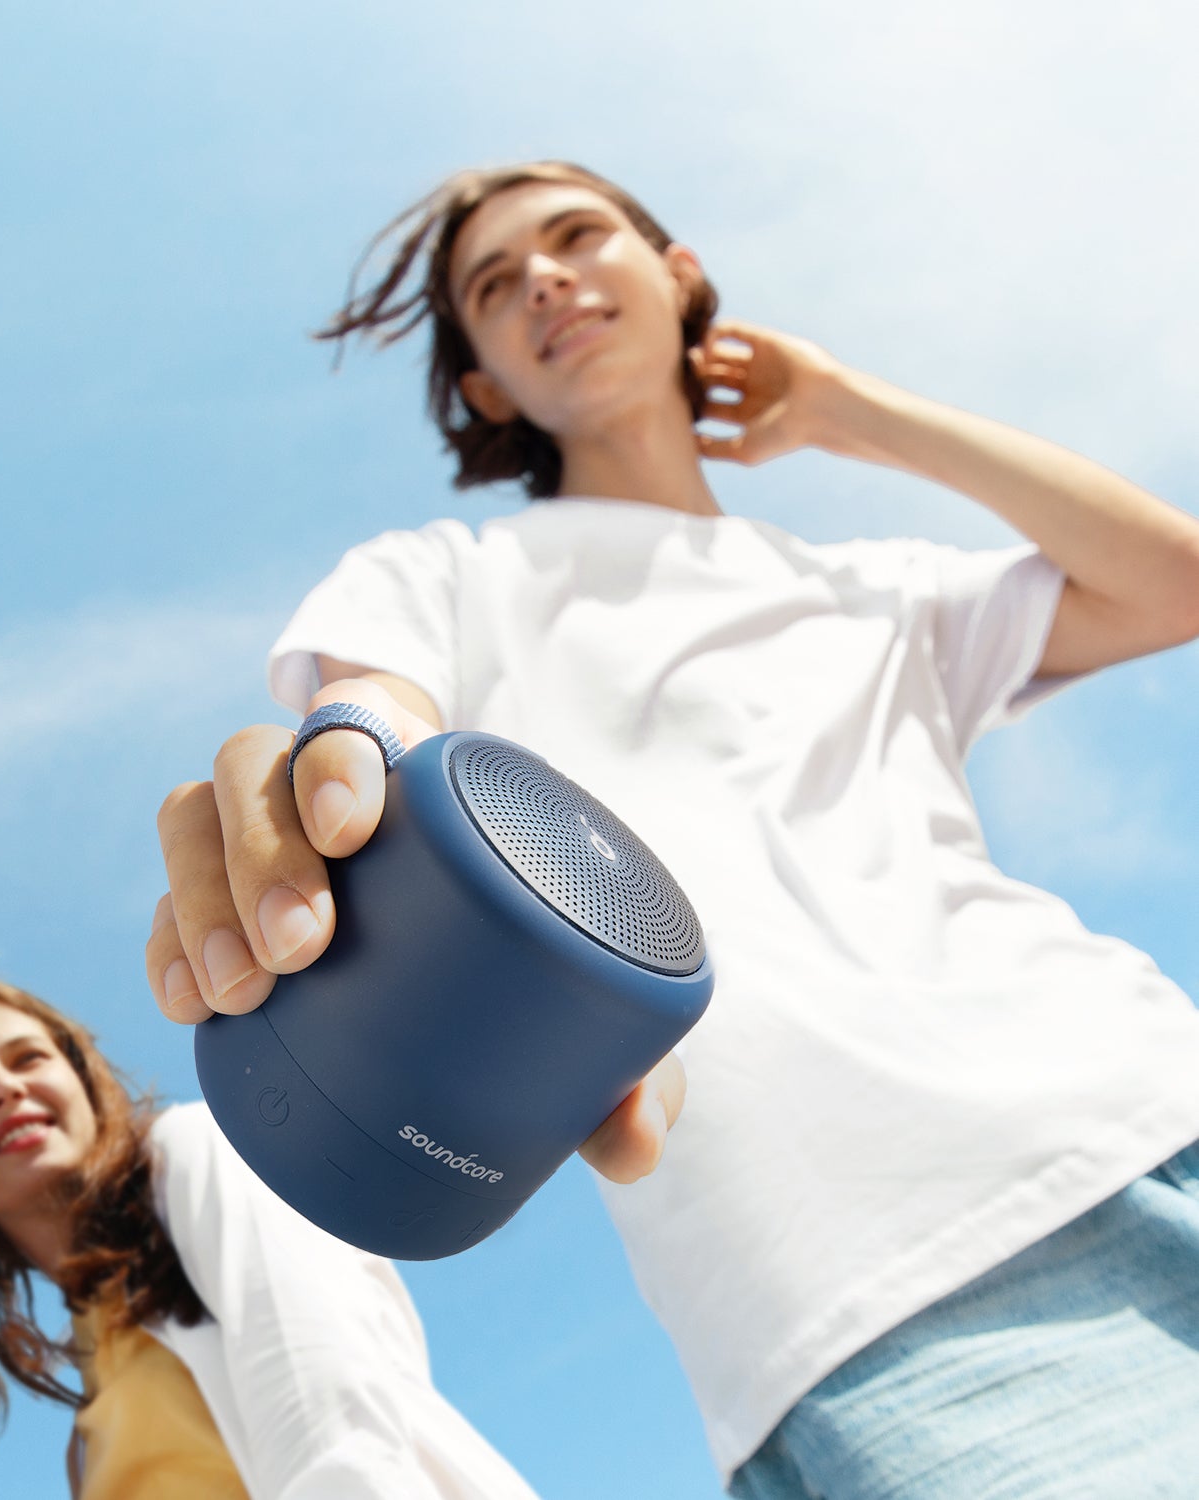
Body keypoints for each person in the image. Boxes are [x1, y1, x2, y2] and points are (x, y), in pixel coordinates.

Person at [144, 160, 1199, 1496]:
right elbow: (371, 728)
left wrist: (843, 409)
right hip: (883, 1287)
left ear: (678, 275)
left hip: (1155, 1086)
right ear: (484, 386)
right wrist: (321, 795)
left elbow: (1173, 583)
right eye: (493, 285)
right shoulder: (449, 575)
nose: (544, 277)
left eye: (578, 237)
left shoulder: (869, 586)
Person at [0, 978, 542, 1499]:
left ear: (81, 1078)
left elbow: (329, 1417)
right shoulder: (91, 1416)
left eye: (26, 1058)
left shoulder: (199, 1151)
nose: (2, 1089)